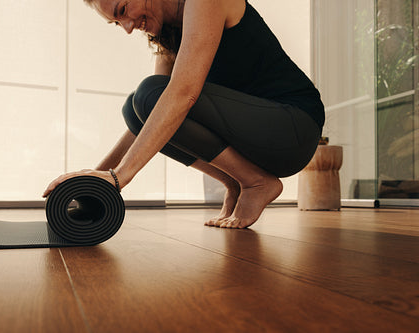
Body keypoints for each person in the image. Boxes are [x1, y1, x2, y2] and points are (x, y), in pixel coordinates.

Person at [43, 0, 325, 229]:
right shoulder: (169, 34)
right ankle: (237, 181)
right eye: (117, 23)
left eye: (123, 10)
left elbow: (179, 96)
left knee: (152, 96)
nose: (127, 27)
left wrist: (119, 177)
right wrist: (96, 179)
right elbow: (150, 117)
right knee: (136, 107)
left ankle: (256, 182)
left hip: (293, 126)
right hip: (258, 136)